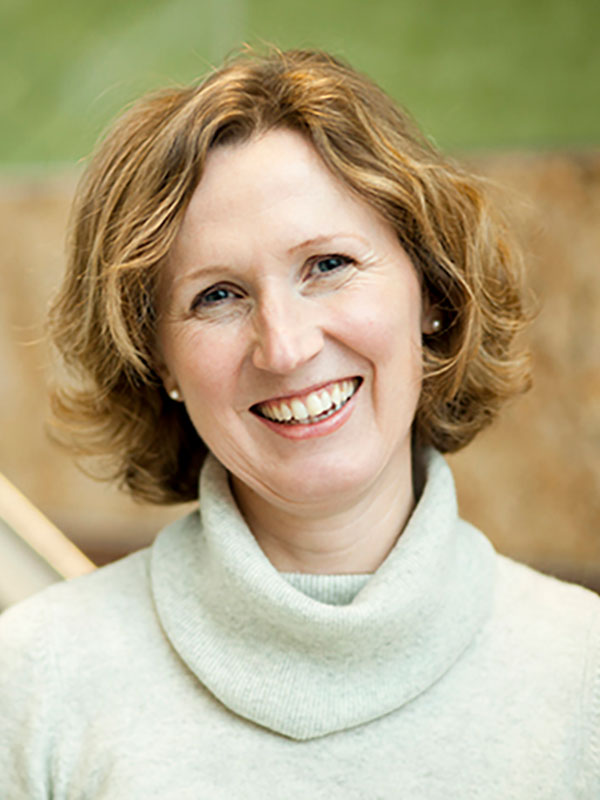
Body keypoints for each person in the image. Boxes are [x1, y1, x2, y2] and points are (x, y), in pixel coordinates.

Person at [1, 47, 598, 798]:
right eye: (217, 296)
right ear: (160, 364)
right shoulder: (33, 683)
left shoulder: (585, 677)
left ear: (432, 292)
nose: (285, 347)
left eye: (327, 265)